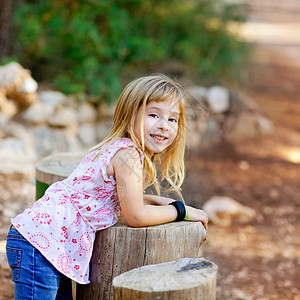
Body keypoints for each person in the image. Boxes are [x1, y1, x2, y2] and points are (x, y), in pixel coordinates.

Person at [6, 74, 208, 299]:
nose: (164, 126)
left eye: (173, 119)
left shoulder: (124, 150)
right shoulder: (127, 154)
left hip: (48, 245)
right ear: (130, 115)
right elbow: (136, 216)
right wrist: (182, 212)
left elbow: (132, 199)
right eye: (154, 115)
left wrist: (174, 204)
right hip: (40, 245)